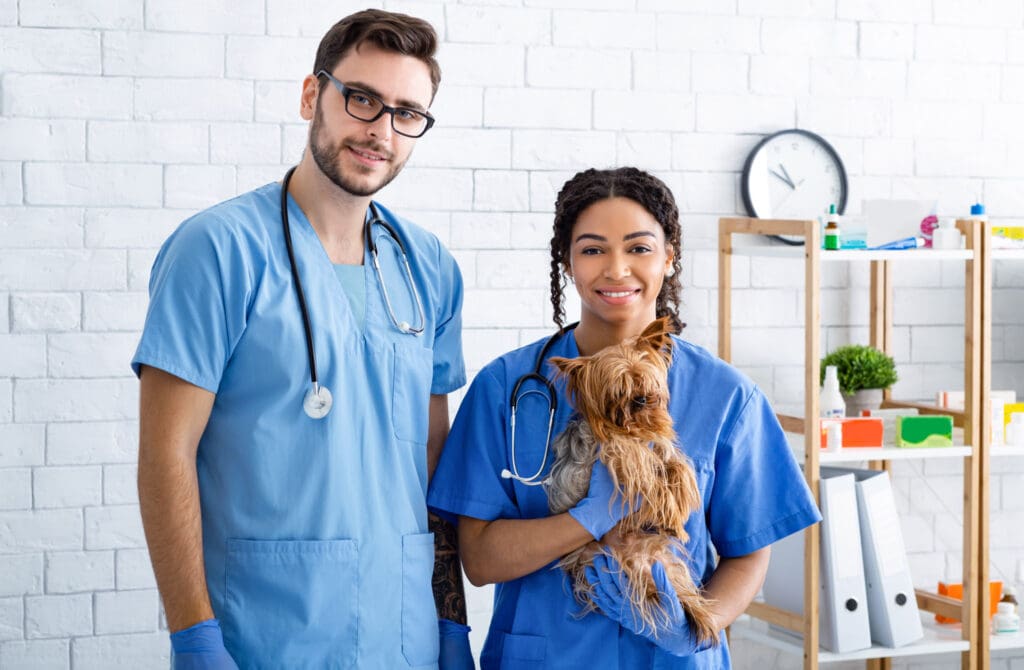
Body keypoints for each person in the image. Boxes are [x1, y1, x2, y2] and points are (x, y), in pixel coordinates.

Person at [133, 10, 473, 669]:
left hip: (403, 635)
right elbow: (164, 457)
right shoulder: (219, 251)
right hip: (262, 634)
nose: (380, 130)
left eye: (407, 113)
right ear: (312, 95)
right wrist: (194, 637)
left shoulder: (428, 266)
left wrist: (449, 621)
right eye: (361, 98)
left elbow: (433, 468)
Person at [427, 167, 821, 668]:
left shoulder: (726, 397)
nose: (616, 269)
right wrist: (589, 516)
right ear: (567, 262)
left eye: (638, 248)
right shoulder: (506, 387)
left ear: (669, 257)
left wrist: (695, 631)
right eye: (592, 249)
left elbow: (749, 554)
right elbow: (480, 560)